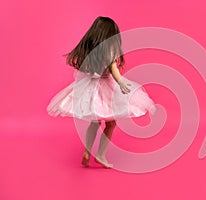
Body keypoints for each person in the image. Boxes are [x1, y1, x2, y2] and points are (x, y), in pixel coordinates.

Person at [46, 16, 156, 169]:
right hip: (106, 88)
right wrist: (121, 82)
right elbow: (114, 69)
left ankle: (87, 152)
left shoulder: (90, 48)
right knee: (111, 123)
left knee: (95, 121)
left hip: (91, 88)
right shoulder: (109, 48)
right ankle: (101, 155)